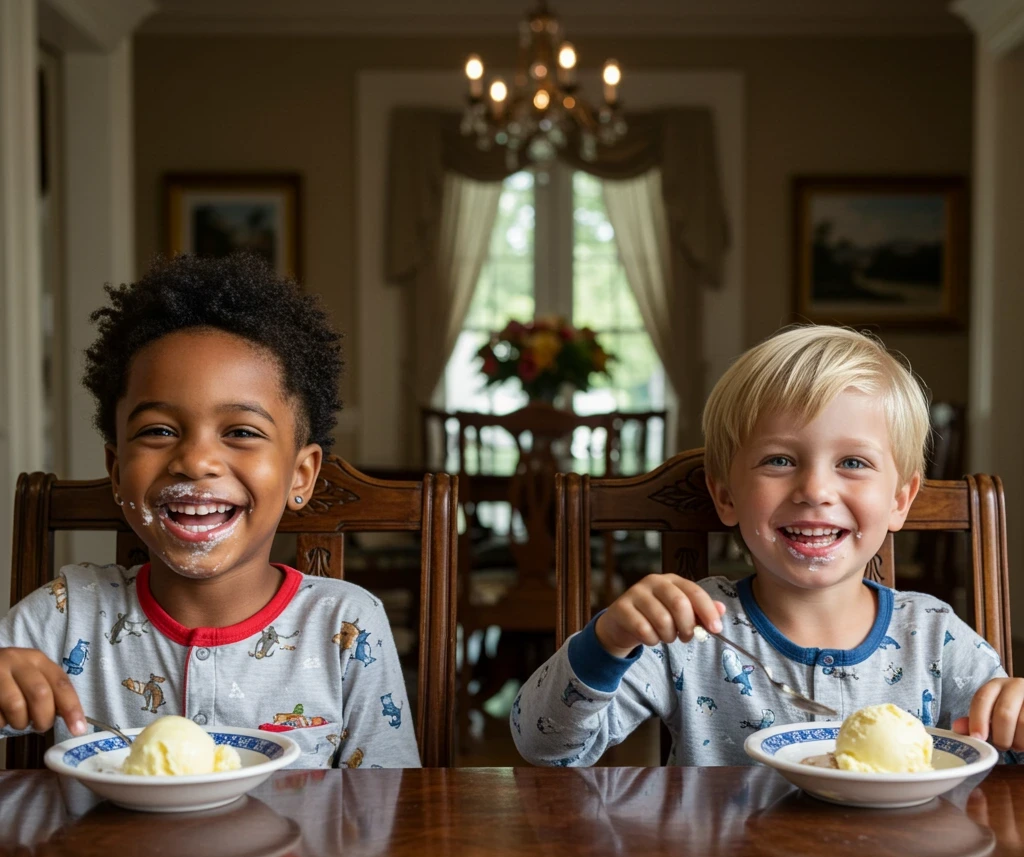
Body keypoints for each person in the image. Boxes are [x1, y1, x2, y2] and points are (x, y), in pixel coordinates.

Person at [511, 325, 1023, 766]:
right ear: (726, 496)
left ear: (900, 500)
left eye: (853, 462)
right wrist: (609, 641)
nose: (816, 491)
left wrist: (1016, 723)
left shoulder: (935, 637)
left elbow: (1001, 761)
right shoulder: (693, 632)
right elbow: (546, 749)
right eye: (779, 460)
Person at [0, 252, 420, 768]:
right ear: (115, 470)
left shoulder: (346, 625)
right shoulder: (66, 614)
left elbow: (390, 810)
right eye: (158, 430)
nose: (195, 461)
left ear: (300, 476)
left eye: (241, 432)